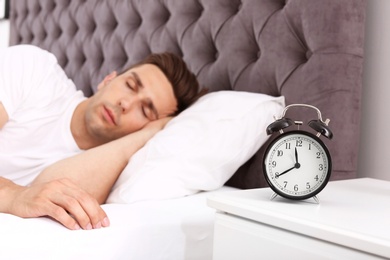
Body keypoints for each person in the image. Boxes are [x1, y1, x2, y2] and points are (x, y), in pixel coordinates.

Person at [0, 45, 206, 230]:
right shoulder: (35, 69)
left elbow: (54, 207)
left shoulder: (106, 169)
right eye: (130, 85)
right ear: (108, 79)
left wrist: (149, 134)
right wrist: (13, 195)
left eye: (145, 111)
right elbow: (26, 195)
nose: (125, 103)